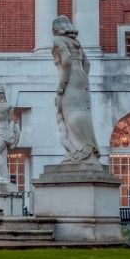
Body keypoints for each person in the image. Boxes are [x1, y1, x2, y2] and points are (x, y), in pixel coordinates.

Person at [51, 15, 100, 165]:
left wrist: (61, 85)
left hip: (70, 78)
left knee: (71, 113)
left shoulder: (58, 40)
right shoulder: (76, 42)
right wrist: (82, 76)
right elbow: (87, 64)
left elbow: (65, 60)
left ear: (56, 29)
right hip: (82, 78)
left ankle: (80, 151)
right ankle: (89, 147)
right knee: (83, 112)